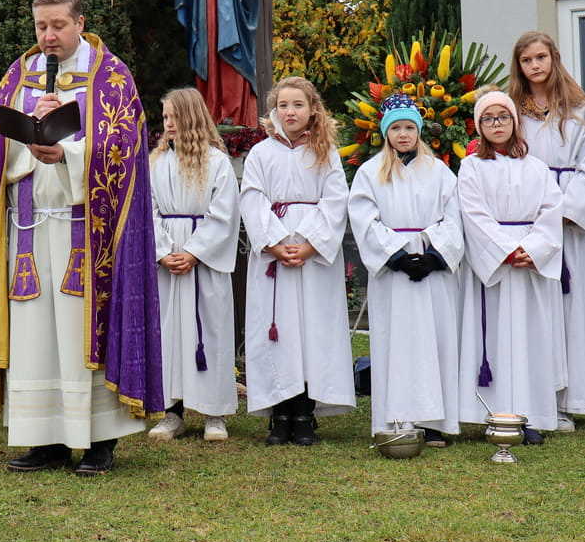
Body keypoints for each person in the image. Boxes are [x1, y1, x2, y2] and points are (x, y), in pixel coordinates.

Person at [0, 0, 163, 476]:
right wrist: (27, 136)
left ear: (80, 23)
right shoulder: (19, 74)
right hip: (27, 228)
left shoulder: (111, 76)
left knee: (78, 334)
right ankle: (43, 438)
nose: (48, 36)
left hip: (87, 235)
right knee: (35, 337)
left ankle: (99, 441)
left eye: (58, 26)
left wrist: (66, 150)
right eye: (41, 26)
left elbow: (124, 148)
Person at [239, 76, 355, 445]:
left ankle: (305, 412)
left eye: (298, 105)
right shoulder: (261, 153)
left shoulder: (325, 152)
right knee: (277, 330)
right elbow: (252, 198)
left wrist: (309, 244)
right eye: (283, 105)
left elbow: (336, 201)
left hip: (312, 257)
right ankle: (280, 413)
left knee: (311, 329)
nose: (290, 112)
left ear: (312, 109)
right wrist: (274, 242)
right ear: (274, 111)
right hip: (274, 256)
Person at [348, 92, 463, 446]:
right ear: (386, 132)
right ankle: (398, 417)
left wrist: (434, 256)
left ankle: (434, 421)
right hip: (395, 273)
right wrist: (396, 256)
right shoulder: (370, 172)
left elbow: (454, 217)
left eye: (409, 128)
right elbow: (364, 219)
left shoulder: (438, 171)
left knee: (435, 342)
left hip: (431, 271)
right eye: (396, 128)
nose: (403, 134)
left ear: (419, 131)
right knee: (395, 343)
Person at [509, 31, 585, 432]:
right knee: (536, 309)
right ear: (519, 66)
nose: (535, 65)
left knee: (570, 307)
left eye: (541, 57)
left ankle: (570, 399)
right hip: (528, 218)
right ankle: (537, 396)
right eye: (527, 60)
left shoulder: (579, 110)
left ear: (554, 59)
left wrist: (564, 211)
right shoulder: (513, 111)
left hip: (567, 223)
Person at [458, 91, 566, 441]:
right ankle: (493, 413)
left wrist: (532, 250)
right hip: (496, 265)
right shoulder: (472, 167)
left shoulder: (536, 167)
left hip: (529, 265)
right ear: (479, 126)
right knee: (495, 340)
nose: (497, 124)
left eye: (503, 117)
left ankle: (532, 414)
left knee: (530, 338)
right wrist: (505, 250)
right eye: (488, 118)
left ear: (514, 122)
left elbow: (551, 211)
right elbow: (473, 214)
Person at [147, 87, 241, 443]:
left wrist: (194, 252)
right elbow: (148, 210)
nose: (169, 124)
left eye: (175, 117)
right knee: (169, 333)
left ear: (193, 118)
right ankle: (172, 411)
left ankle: (214, 412)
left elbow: (225, 214)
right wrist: (163, 251)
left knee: (209, 330)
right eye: (165, 117)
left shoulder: (216, 162)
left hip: (203, 261)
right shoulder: (156, 163)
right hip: (168, 260)